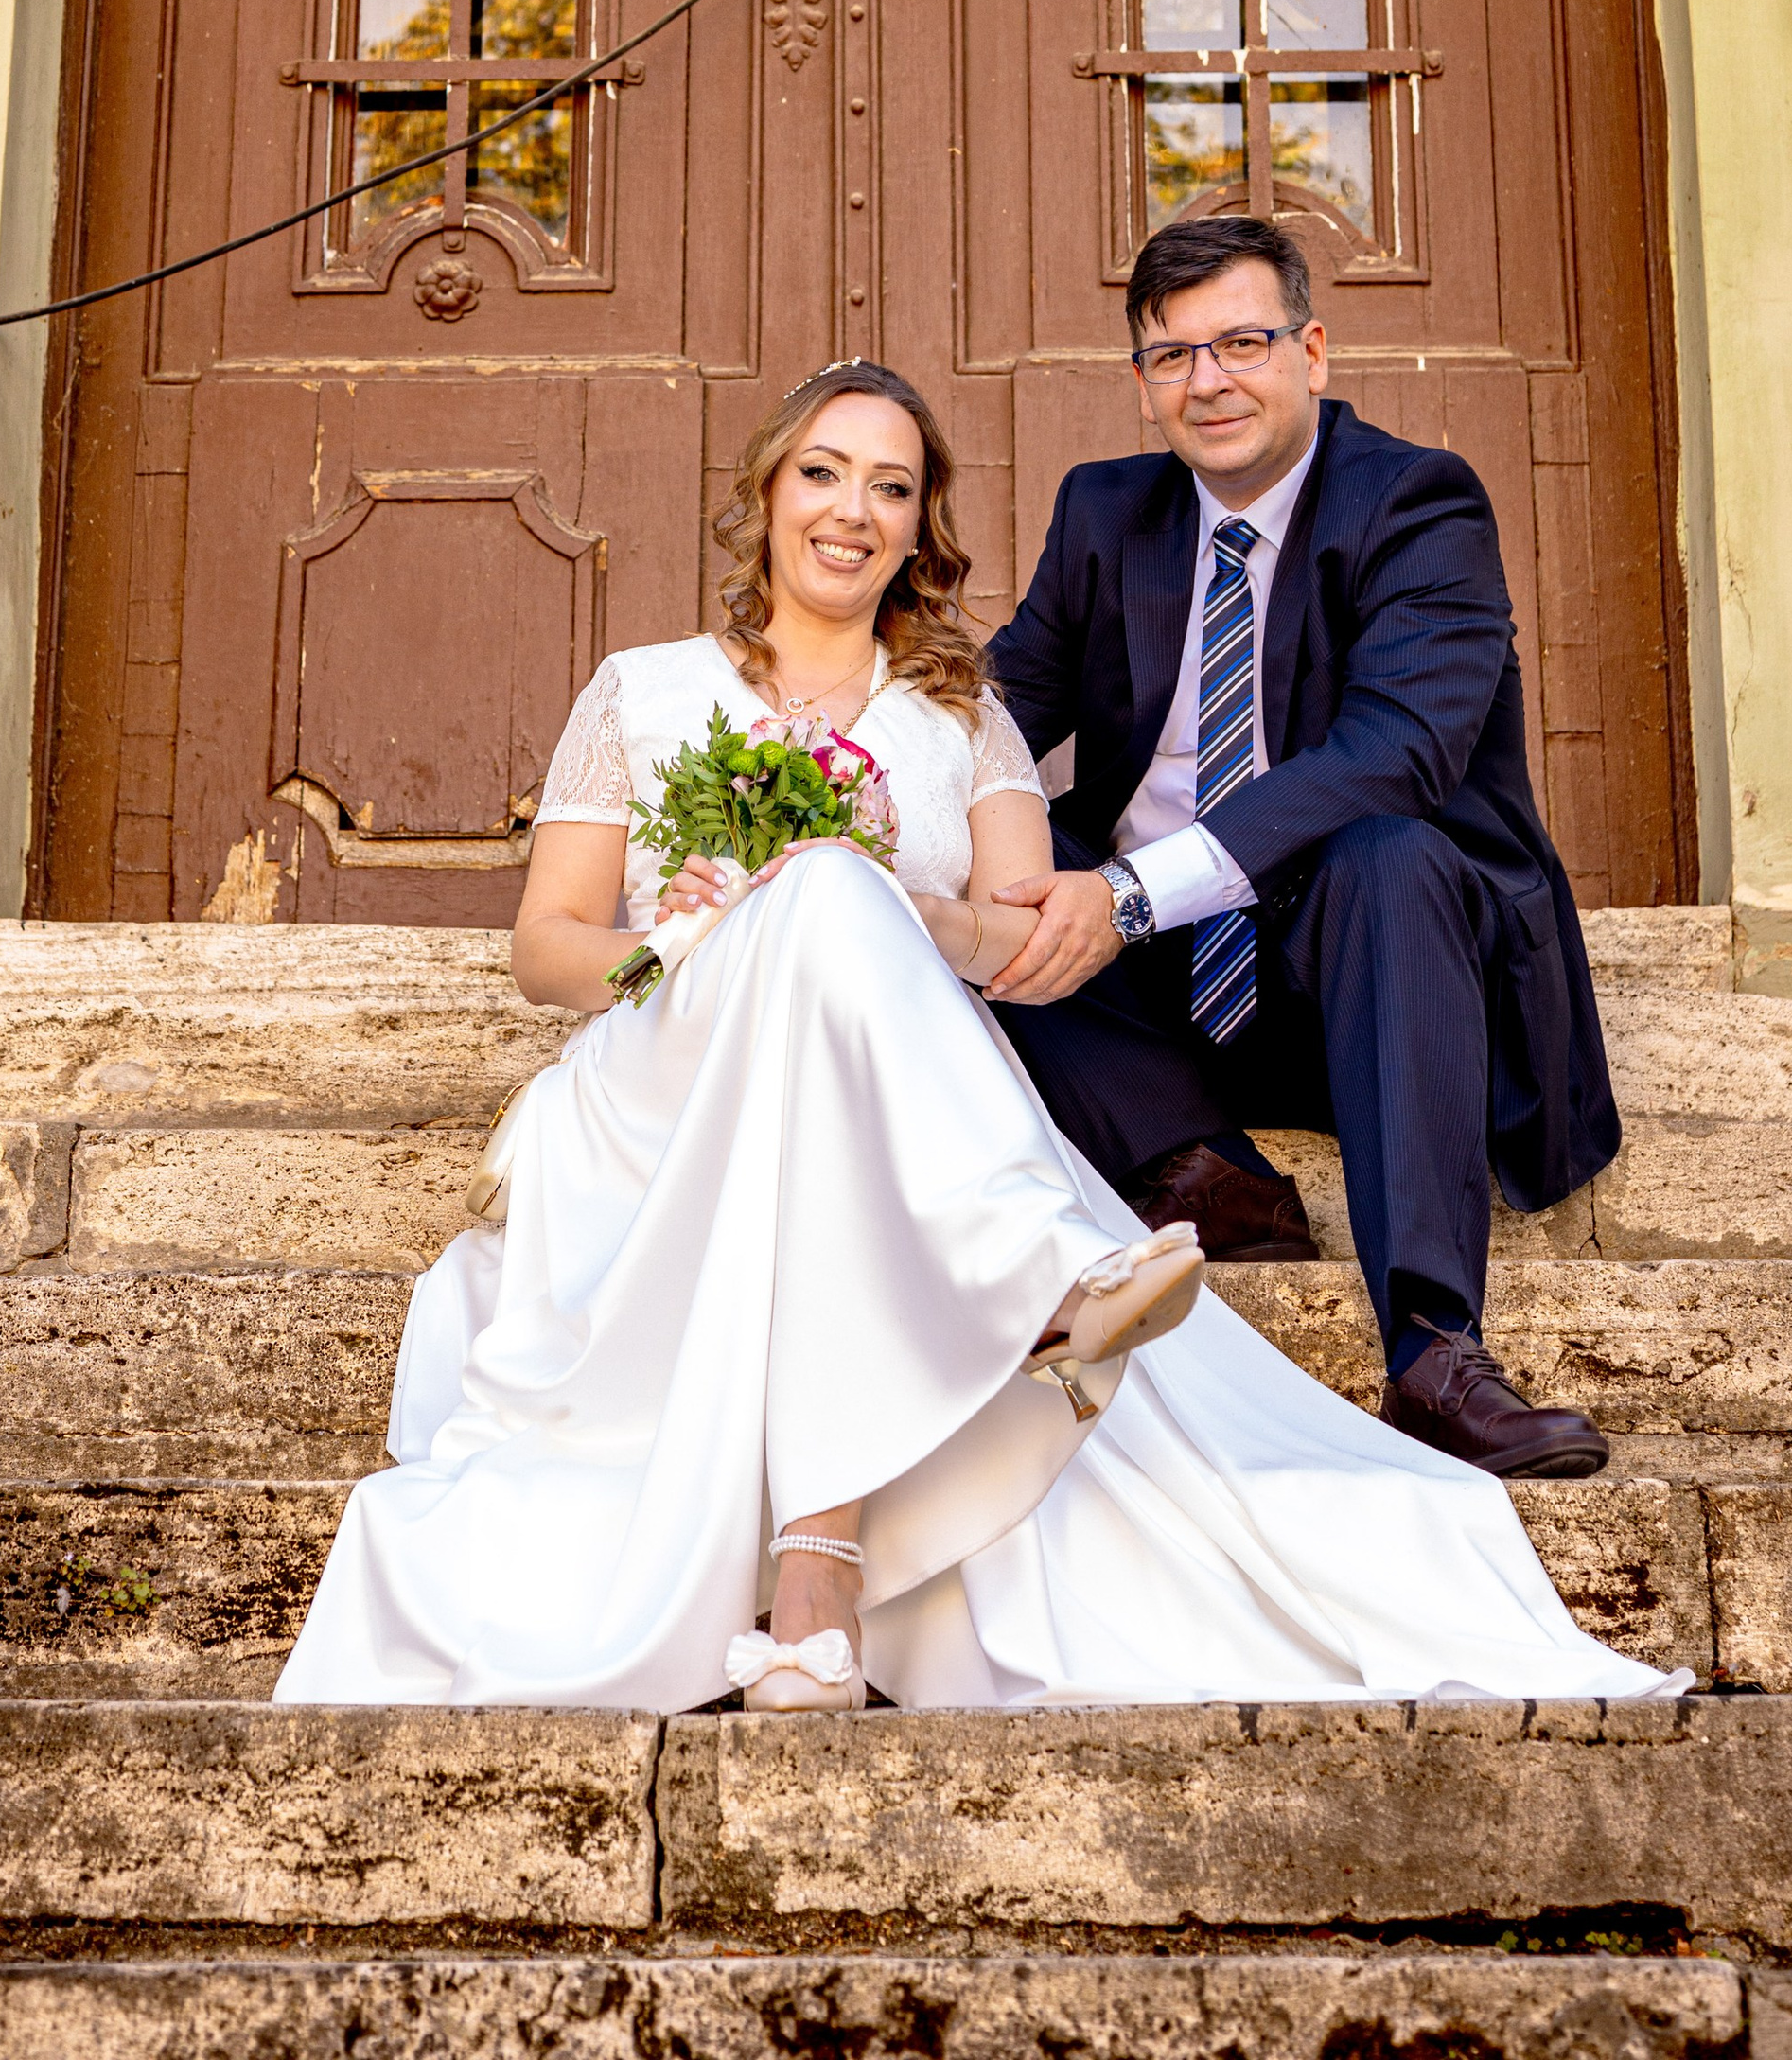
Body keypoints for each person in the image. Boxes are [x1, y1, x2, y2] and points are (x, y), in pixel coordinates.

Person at [273, 359, 1679, 1710]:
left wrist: (897, 908)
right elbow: (545, 946)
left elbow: (1025, 944)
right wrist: (682, 939)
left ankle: (819, 1583)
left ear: (916, 531)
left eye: (890, 489)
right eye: (823, 475)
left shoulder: (964, 719)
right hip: (669, 1076)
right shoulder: (642, 689)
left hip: (867, 1106)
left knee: (837, 891)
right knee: (813, 894)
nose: (851, 510)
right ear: (765, 496)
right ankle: (1031, 1273)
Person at [986, 216, 1619, 1481]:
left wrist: (1129, 891)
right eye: (1173, 356)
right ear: (1143, 381)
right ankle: (1202, 1168)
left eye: (1242, 342)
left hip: (1373, 987)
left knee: (1390, 851)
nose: (1208, 380)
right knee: (982, 845)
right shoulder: (1105, 511)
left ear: (1312, 351)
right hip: (1160, 1008)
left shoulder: (1419, 502)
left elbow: (1397, 752)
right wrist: (821, 807)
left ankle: (1437, 1354)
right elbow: (992, 715)